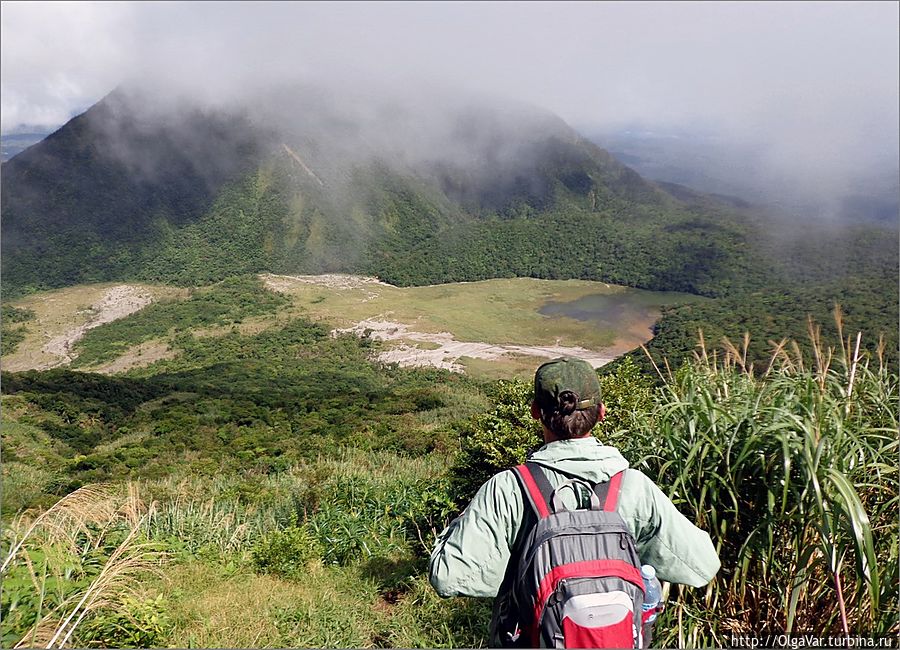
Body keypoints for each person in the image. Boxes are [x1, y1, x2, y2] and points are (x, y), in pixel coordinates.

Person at [429, 356, 720, 647]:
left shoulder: (509, 488)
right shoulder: (634, 486)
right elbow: (703, 565)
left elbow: (448, 576)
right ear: (602, 412)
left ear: (535, 412)